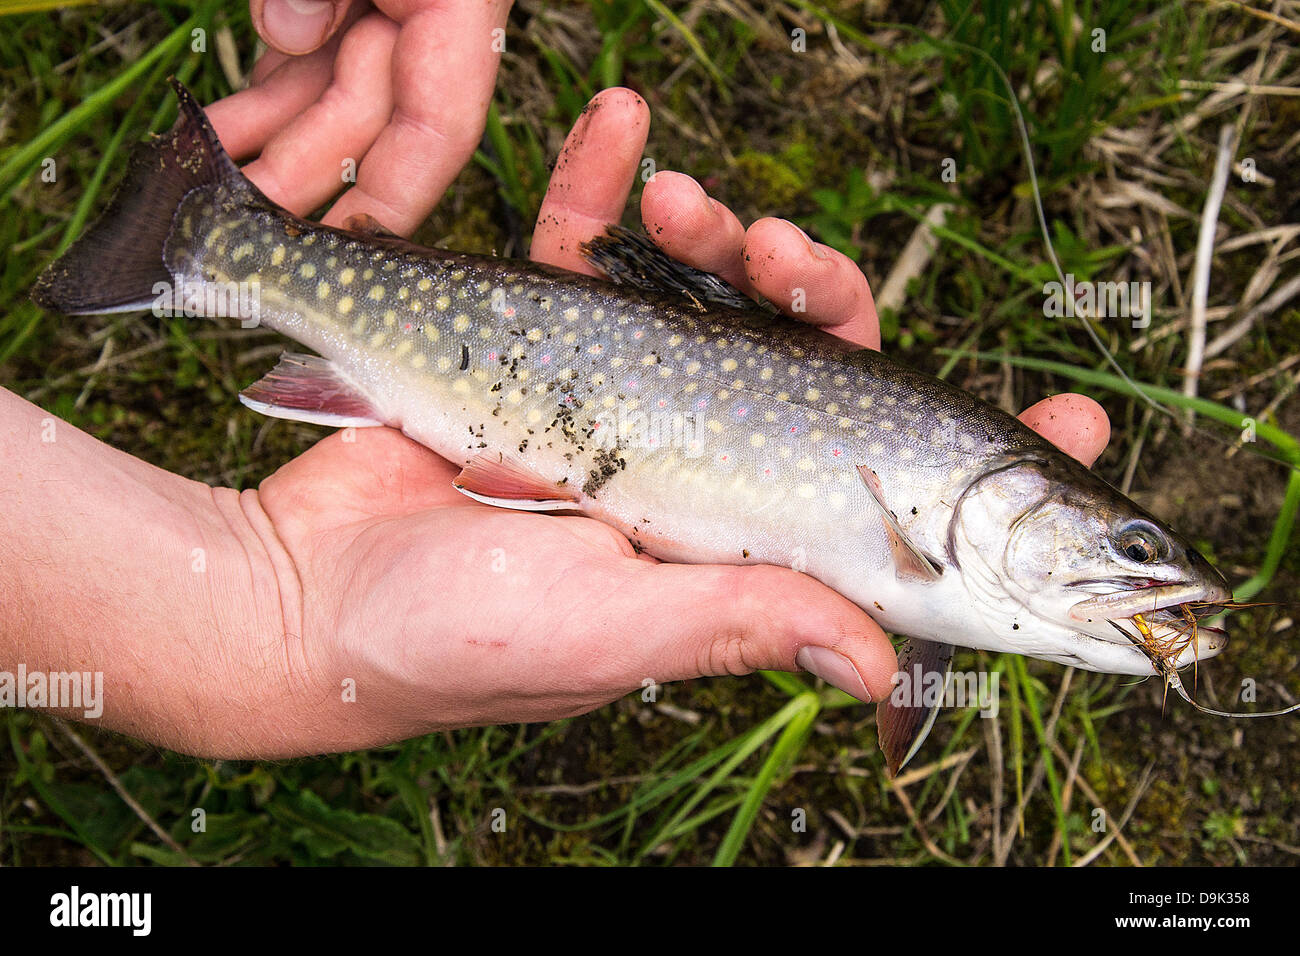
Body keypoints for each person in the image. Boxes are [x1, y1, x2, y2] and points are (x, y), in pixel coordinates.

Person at [1, 0, 1110, 758]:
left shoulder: (942, 593)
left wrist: (281, 612)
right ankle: (212, 247)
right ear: (1005, 495)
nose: (1142, 582)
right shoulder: (934, 555)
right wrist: (276, 621)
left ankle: (222, 248)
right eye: (1129, 550)